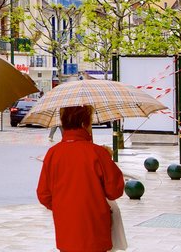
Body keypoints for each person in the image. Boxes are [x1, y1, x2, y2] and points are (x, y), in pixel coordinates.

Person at [37, 105, 125, 252]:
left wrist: (64, 206)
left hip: (66, 229)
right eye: (90, 122)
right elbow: (114, 191)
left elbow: (44, 194)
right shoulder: (97, 153)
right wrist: (107, 159)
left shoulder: (53, 153)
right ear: (84, 124)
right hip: (95, 228)